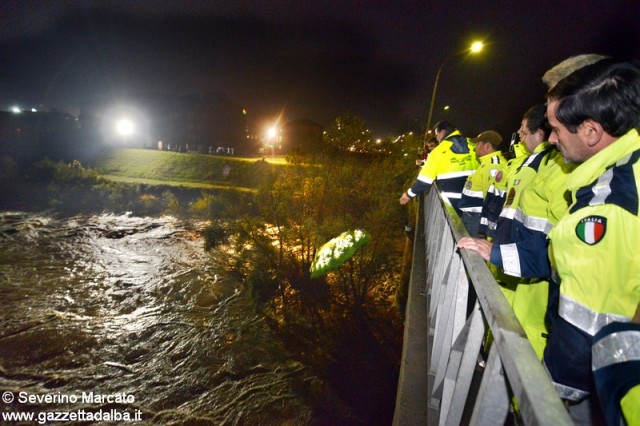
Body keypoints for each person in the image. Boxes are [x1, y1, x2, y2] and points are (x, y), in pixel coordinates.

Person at [542, 59, 640, 424]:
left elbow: (584, 326)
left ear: (591, 132)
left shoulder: (607, 207)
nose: (552, 139)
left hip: (601, 392)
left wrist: (545, 394)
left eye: (555, 129)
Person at [400, 121, 478, 214]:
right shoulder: (473, 145)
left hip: (454, 205)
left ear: (443, 132)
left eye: (437, 134)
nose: (436, 138)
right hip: (477, 202)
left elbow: (424, 180)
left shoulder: (438, 152)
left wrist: (408, 195)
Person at [458, 130, 507, 236]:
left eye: (477, 144)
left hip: (476, 220)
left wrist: (485, 231)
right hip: (472, 218)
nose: (475, 148)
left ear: (487, 146)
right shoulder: (486, 164)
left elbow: (493, 202)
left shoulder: (493, 166)